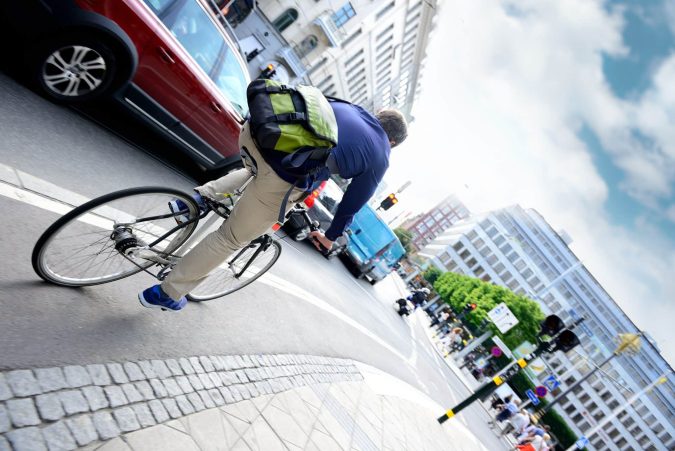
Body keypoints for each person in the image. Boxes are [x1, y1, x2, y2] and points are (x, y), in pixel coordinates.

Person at [138, 97, 408, 311]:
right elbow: (352, 203)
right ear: (393, 141)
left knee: (260, 170)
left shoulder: (349, 108)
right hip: (282, 175)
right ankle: (166, 292)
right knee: (230, 238)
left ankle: (197, 200)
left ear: (378, 115)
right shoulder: (380, 155)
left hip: (254, 133)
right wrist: (330, 237)